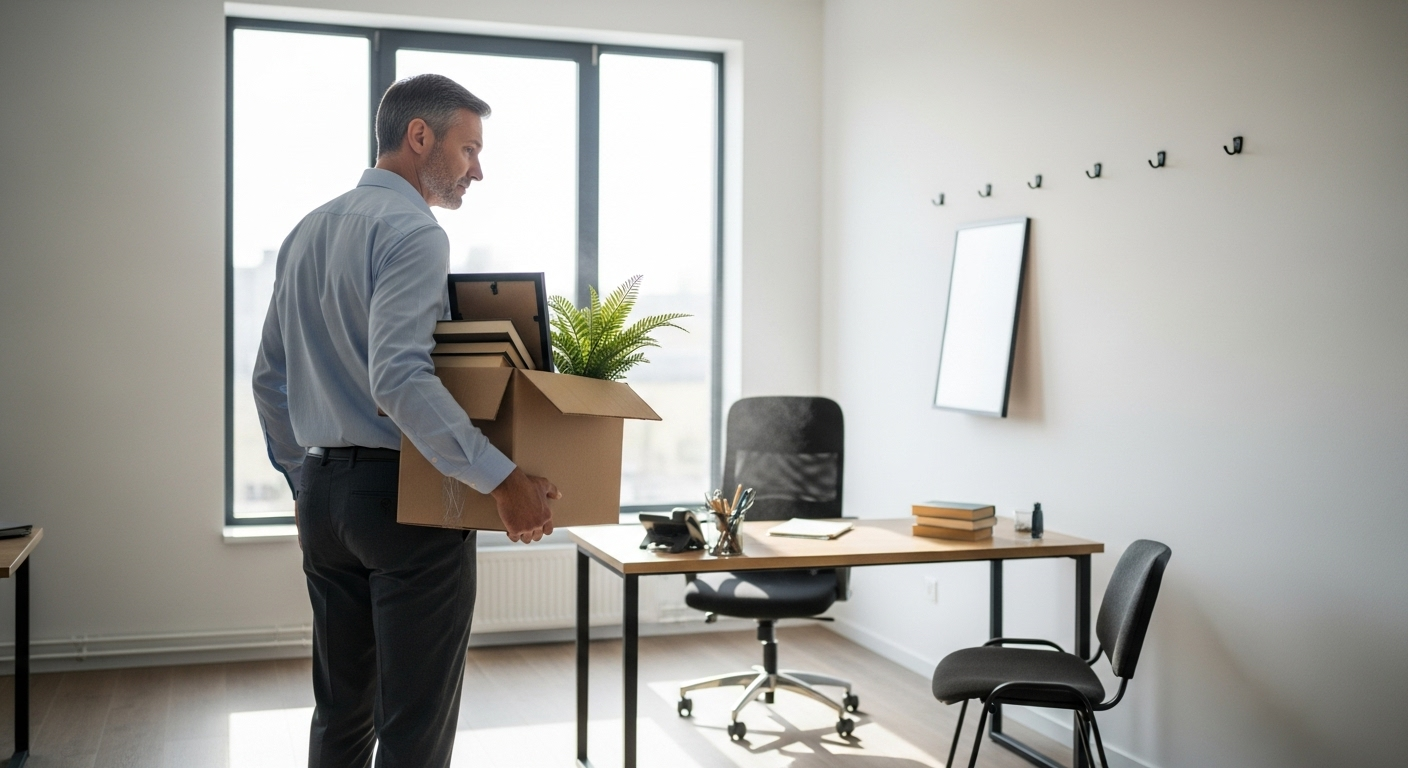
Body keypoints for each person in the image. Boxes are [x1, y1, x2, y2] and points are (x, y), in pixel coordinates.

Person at [253, 73, 558, 768]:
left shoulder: (306, 231)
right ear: (419, 137)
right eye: (468, 149)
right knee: (415, 724)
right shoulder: (414, 232)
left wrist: (307, 479)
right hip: (405, 504)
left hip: (325, 502)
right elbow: (398, 377)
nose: (477, 170)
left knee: (341, 713)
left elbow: (268, 379)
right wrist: (501, 477)